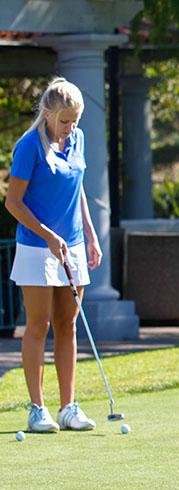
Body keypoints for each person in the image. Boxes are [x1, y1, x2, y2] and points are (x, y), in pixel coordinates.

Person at [5, 77, 102, 432]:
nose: (69, 128)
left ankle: (68, 407)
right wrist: (47, 235)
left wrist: (90, 236)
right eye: (64, 121)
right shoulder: (29, 146)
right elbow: (12, 203)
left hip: (73, 245)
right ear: (47, 114)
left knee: (67, 324)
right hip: (36, 247)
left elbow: (78, 192)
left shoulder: (77, 139)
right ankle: (37, 409)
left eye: (74, 120)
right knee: (38, 325)